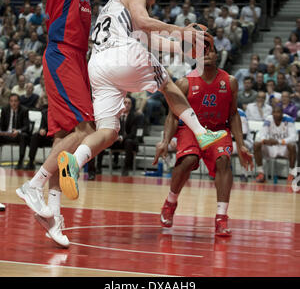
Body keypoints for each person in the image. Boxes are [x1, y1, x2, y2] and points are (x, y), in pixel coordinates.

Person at [16, 0, 135, 248]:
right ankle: (33, 185)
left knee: (65, 139)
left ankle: (53, 215)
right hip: (62, 54)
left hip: (71, 57)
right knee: (85, 131)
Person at [57, 0, 229, 202]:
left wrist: (182, 50)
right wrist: (180, 31)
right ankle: (201, 133)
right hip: (120, 55)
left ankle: (74, 162)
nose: (153, 3)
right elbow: (146, 22)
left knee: (108, 132)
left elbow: (149, 37)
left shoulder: (115, 6)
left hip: (98, 66)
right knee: (167, 84)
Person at [154, 43, 253, 235]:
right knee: (189, 160)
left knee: (224, 161)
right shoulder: (184, 83)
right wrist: (165, 141)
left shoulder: (230, 81)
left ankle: (221, 218)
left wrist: (240, 144)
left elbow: (233, 115)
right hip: (191, 130)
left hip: (218, 130)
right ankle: (170, 202)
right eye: (202, 52)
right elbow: (173, 115)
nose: (207, 54)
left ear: (218, 55)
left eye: (211, 51)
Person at [254, 106, 298, 184]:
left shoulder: (289, 120)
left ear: (282, 113)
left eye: (278, 112)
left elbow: (294, 137)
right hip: (271, 147)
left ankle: (291, 174)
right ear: (272, 113)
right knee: (256, 144)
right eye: (274, 112)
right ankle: (261, 173)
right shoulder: (268, 119)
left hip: (284, 147)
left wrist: (278, 141)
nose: (276, 114)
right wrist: (265, 140)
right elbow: (261, 133)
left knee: (292, 146)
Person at [109, 96, 144, 176]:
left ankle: (126, 168)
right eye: (125, 103)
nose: (127, 105)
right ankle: (97, 168)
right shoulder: (115, 116)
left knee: (128, 142)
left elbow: (133, 133)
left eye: (129, 103)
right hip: (116, 141)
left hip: (128, 141)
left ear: (131, 106)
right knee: (102, 140)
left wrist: (121, 138)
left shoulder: (135, 116)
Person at [0, 94, 30, 170]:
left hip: (17, 135)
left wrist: (18, 131)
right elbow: (1, 124)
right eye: (11, 101)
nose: (13, 103)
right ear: (9, 102)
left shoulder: (24, 110)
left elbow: (26, 126)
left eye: (15, 101)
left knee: (23, 136)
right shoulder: (4, 109)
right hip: (6, 134)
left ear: (19, 102)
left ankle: (20, 162)